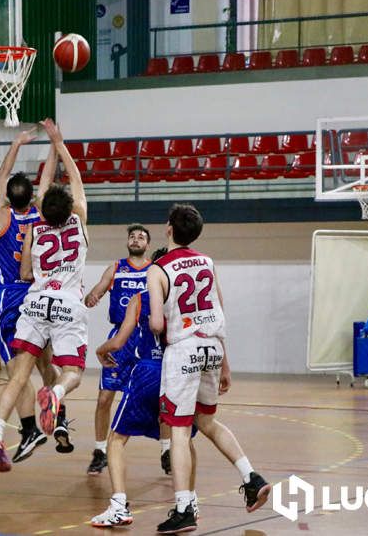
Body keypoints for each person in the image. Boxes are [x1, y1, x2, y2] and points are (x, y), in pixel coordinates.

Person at [147, 203, 270, 533]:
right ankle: (251, 476)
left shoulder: (158, 269)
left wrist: (150, 320)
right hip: (212, 347)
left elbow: (158, 324)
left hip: (183, 350)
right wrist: (225, 362)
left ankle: (184, 508)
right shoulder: (207, 262)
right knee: (208, 420)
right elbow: (220, 312)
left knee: (178, 431)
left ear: (169, 229)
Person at [0, 118, 90, 472]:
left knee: (18, 370)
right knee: (54, 367)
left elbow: (2, 184)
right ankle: (56, 412)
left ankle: (22, 430)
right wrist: (55, 143)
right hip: (53, 298)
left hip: (21, 299)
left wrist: (16, 145)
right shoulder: (46, 217)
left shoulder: (11, 220)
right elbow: (52, 183)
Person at [90, 248, 200, 528]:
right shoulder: (187, 301)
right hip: (178, 372)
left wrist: (101, 350)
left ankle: (118, 506)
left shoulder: (140, 299)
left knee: (116, 440)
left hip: (149, 373)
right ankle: (188, 503)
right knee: (184, 439)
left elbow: (118, 342)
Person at [83, 224, 154, 475]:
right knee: (104, 398)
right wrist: (91, 297)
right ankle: (100, 451)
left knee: (160, 400)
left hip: (147, 339)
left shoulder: (154, 270)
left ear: (148, 245)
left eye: (141, 237)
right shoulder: (115, 267)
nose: (136, 239)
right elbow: (96, 292)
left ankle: (167, 450)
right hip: (119, 340)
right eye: (132, 236)